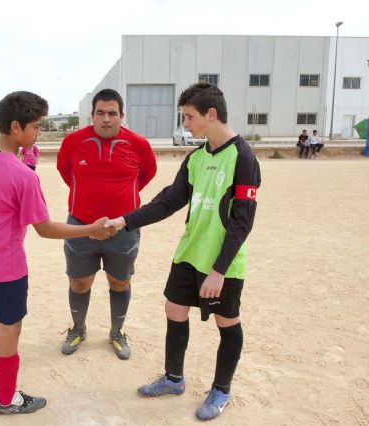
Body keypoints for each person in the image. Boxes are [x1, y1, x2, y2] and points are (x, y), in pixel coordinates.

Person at [104, 83, 261, 421]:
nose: (186, 124)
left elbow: (242, 223)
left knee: (227, 322)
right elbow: (169, 201)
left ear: (212, 114)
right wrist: (125, 220)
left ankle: (221, 390)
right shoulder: (196, 158)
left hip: (223, 263)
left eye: (190, 117)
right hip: (189, 254)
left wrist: (219, 271)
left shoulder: (244, 158)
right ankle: (174, 378)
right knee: (174, 310)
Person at [0, 91, 115, 415]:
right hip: (6, 266)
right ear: (16, 126)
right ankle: (6, 399)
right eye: (35, 127)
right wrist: (90, 229)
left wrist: (25, 162)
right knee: (10, 327)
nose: (39, 133)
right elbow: (44, 228)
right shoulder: (21, 176)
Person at [56, 88, 157, 360]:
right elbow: (66, 171)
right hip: (80, 226)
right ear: (92, 115)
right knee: (79, 282)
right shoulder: (73, 142)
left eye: (112, 113)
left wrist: (120, 207)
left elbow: (147, 174)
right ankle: (78, 329)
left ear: (122, 116)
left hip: (123, 229)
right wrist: (89, 203)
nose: (106, 119)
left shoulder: (139, 144)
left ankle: (116, 332)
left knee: (119, 282)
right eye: (100, 113)